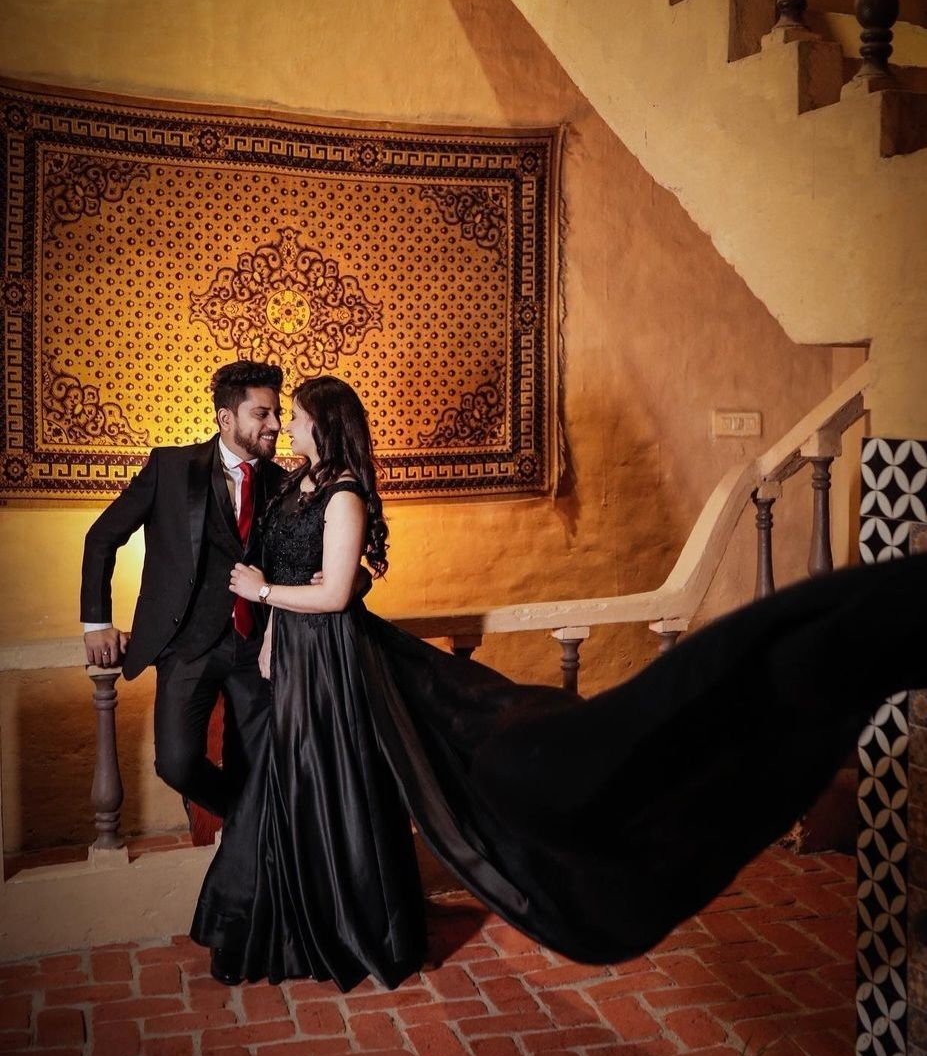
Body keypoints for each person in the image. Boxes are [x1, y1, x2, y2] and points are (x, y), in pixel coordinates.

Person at [192, 375, 927, 991]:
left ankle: (349, 932)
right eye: (280, 415)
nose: (284, 425)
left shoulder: (344, 496)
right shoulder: (298, 486)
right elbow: (301, 576)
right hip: (293, 659)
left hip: (330, 666)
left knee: (333, 792)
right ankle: (294, 923)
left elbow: (331, 593)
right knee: (289, 792)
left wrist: (263, 596)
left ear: (323, 424)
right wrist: (271, 640)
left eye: (292, 417)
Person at [80, 361, 286, 826]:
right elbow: (101, 537)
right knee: (174, 761)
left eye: (277, 413)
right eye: (262, 414)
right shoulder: (171, 467)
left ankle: (254, 852)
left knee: (261, 764)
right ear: (226, 418)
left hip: (258, 649)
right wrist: (97, 623)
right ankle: (247, 822)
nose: (274, 425)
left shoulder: (283, 483)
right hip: (187, 646)